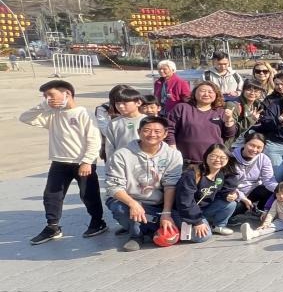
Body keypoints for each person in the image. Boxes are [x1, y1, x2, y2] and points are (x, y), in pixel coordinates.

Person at [21, 78, 107, 243]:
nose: (48, 99)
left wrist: (87, 161)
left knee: (88, 194)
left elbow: (94, 139)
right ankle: (52, 226)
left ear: (67, 94)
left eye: (51, 95)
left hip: (83, 163)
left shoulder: (84, 113)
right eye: (45, 96)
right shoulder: (53, 115)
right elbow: (25, 118)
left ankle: (98, 222)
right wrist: (44, 106)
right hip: (59, 162)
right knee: (52, 195)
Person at [104, 115, 184, 252]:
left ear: (165, 134)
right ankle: (136, 235)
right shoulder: (121, 155)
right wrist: (133, 204)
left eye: (157, 131)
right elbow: (113, 186)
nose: (152, 134)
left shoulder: (173, 155)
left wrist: (166, 213)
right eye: (147, 130)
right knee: (120, 208)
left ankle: (144, 225)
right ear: (138, 132)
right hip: (128, 200)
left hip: (158, 204)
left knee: (187, 229)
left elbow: (170, 185)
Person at [173, 143, 241, 239]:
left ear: (227, 159)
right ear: (206, 156)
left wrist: (232, 194)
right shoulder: (192, 174)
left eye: (222, 157)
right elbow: (185, 201)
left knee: (231, 204)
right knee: (202, 237)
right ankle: (187, 224)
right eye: (213, 156)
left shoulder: (223, 173)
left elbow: (228, 189)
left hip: (204, 209)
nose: (218, 160)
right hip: (184, 211)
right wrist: (197, 222)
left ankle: (218, 226)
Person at [166, 81, 237, 165]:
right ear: (194, 93)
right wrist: (172, 147)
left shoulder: (221, 112)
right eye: (202, 91)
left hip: (212, 161)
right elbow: (169, 129)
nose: (206, 94)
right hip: (185, 160)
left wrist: (228, 119)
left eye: (210, 92)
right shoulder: (182, 108)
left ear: (216, 95)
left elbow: (229, 135)